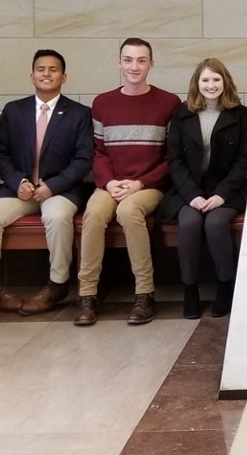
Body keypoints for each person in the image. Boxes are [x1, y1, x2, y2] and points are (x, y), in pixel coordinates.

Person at [0, 49, 93, 316]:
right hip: (19, 190)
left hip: (59, 190)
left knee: (58, 217)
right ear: (32, 76)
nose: (47, 73)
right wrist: (17, 181)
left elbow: (84, 159)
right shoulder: (14, 111)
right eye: (41, 69)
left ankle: (57, 284)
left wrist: (53, 186)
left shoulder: (79, 113)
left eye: (53, 69)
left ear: (64, 77)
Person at [74, 38, 181, 326]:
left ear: (151, 64)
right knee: (93, 214)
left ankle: (144, 293)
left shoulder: (169, 103)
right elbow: (98, 152)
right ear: (119, 63)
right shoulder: (103, 103)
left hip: (149, 187)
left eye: (141, 60)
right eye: (129, 60)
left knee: (128, 211)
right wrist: (108, 183)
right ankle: (87, 295)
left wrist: (141, 183)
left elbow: (173, 158)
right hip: (110, 184)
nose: (135, 66)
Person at [157, 58, 247, 320]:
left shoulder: (239, 114)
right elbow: (174, 160)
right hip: (190, 191)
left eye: (216, 79)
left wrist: (221, 195)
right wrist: (193, 195)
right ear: (197, 83)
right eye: (206, 80)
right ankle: (190, 290)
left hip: (227, 191)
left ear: (225, 82)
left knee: (215, 223)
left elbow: (242, 160)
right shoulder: (182, 113)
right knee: (188, 223)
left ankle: (225, 287)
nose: (211, 85)